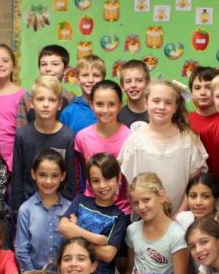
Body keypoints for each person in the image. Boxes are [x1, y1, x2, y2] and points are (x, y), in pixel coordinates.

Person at [119, 80, 208, 215]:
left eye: (168, 102)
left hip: (181, 219)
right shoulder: (135, 142)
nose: (161, 107)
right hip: (145, 219)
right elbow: (130, 187)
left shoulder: (188, 140)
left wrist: (178, 216)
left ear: (175, 107)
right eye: (156, 101)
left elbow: (194, 185)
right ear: (145, 103)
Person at [57, 152, 129, 274]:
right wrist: (95, 239)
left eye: (107, 179)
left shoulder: (119, 217)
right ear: (89, 183)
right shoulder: (80, 201)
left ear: (118, 178)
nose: (102, 185)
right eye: (96, 180)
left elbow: (108, 254)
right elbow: (62, 227)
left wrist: (76, 230)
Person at [12, 75, 77, 211]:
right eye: (40, 99)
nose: (45, 104)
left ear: (59, 104)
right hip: (29, 206)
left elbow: (71, 180)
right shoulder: (22, 135)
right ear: (31, 102)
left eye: (52, 100)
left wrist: (68, 213)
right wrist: (16, 212)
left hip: (59, 208)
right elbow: (17, 179)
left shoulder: (68, 136)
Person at [125, 172, 188, 274]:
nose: (141, 207)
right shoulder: (132, 230)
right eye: (136, 203)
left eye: (146, 200)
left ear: (162, 196)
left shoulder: (176, 235)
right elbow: (130, 268)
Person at [74, 80, 131, 213]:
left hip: (123, 210)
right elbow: (84, 173)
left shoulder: (130, 138)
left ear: (120, 106)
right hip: (91, 208)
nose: (105, 110)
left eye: (111, 104)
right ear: (91, 105)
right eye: (99, 104)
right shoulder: (82, 137)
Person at [15, 148, 70, 273]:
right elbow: (21, 250)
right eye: (42, 175)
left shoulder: (70, 209)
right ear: (33, 174)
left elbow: (74, 247)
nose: (48, 181)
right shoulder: (26, 209)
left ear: (63, 176)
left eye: (54, 176)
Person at [59, 54, 105, 135]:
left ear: (103, 79)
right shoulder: (68, 112)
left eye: (96, 75)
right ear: (77, 79)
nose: (90, 80)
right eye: (85, 75)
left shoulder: (111, 110)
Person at [36, 44, 73, 113]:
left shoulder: (72, 99)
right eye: (44, 64)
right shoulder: (28, 97)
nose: (48, 69)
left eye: (55, 64)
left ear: (66, 70)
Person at [118, 59, 149, 130]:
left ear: (147, 83)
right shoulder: (118, 116)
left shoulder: (156, 112)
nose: (133, 85)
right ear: (122, 86)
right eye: (128, 81)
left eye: (139, 80)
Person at [187, 66, 219, 135]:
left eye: (209, 87)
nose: (202, 92)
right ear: (191, 91)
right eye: (197, 88)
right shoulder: (184, 121)